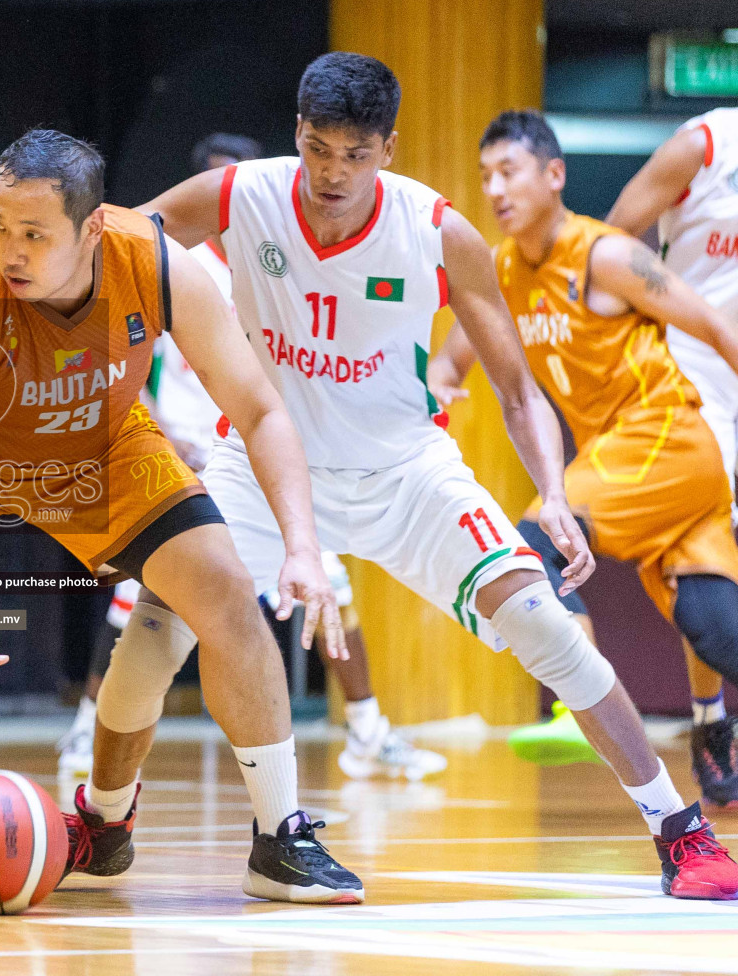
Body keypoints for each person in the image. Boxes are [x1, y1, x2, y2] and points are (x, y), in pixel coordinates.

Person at [65, 54, 738, 901]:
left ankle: (680, 830)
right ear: (298, 136)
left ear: (389, 148)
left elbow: (517, 388)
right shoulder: (243, 194)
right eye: (317, 149)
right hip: (264, 464)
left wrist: (556, 495)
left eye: (355, 154)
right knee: (158, 626)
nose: (332, 174)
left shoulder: (440, 230)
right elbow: (121, 244)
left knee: (544, 625)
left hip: (406, 471)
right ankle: (103, 819)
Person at [0, 128, 364, 903]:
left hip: (101, 443)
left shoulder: (155, 263)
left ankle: (279, 837)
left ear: (90, 229)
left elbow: (260, 410)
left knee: (225, 586)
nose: (9, 248)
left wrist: (302, 546)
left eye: (32, 233)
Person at [58, 133, 444, 788]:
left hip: (258, 446)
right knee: (142, 595)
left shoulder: (278, 260)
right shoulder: (171, 261)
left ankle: (369, 732)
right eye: (218, 186)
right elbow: (123, 354)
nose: (233, 199)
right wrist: (148, 432)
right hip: (180, 450)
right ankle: (85, 733)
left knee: (328, 581)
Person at [425, 110, 738, 812]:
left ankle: (572, 703)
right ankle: (711, 724)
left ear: (555, 175)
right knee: (718, 632)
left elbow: (716, 326)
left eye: (510, 171)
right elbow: (449, 363)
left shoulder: (608, 257)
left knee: (533, 541)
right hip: (639, 462)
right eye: (485, 177)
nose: (496, 189)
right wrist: (429, 401)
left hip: (667, 437)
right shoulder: (501, 271)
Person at [605, 108, 738, 802]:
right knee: (710, 556)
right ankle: (712, 720)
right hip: (697, 376)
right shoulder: (703, 146)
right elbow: (609, 242)